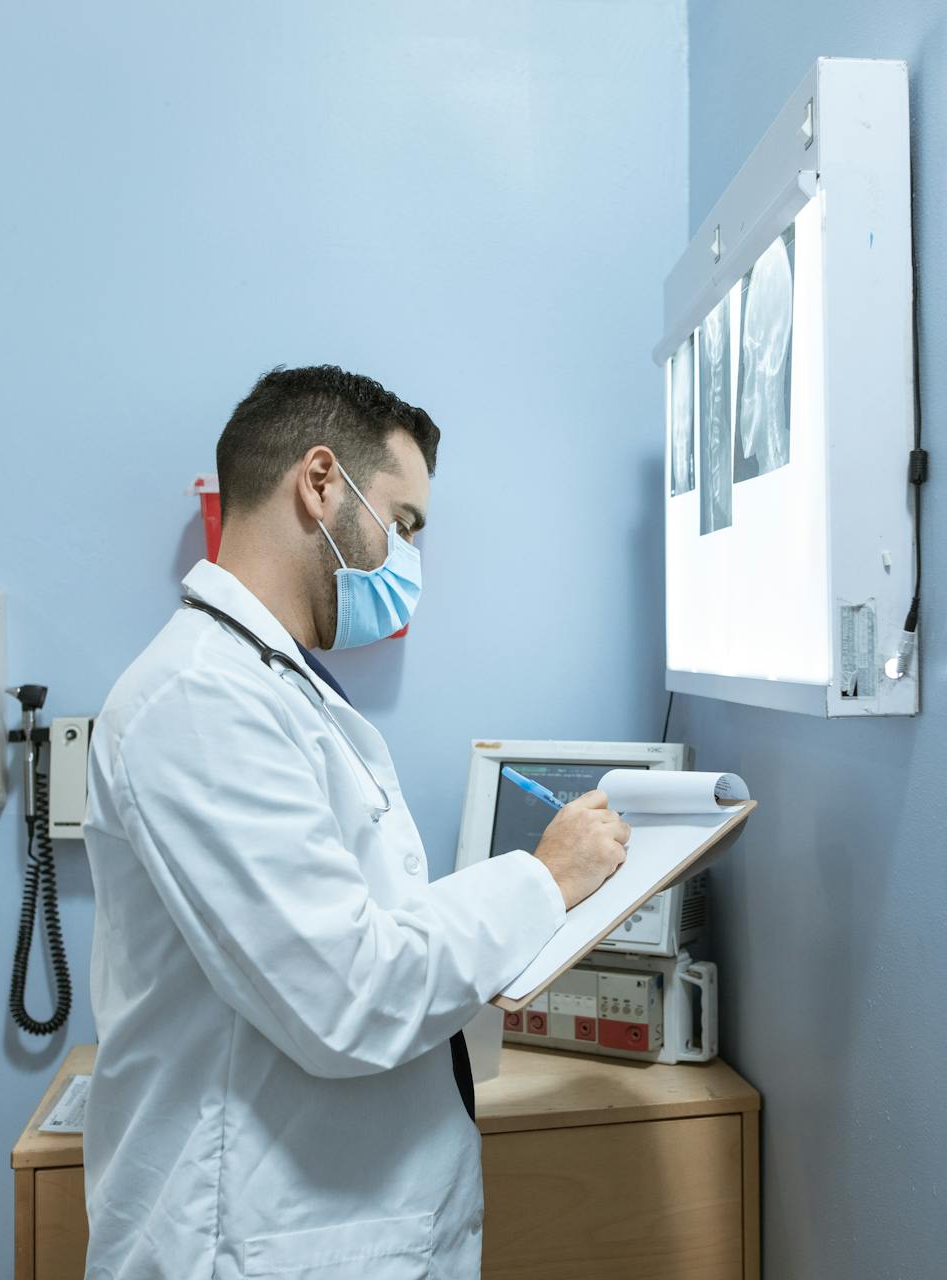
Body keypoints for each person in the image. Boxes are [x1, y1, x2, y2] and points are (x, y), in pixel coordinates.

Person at [79, 365, 631, 1279]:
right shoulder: (197, 702)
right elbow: (347, 993)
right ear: (321, 482)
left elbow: (355, 935)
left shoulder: (269, 686)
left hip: (327, 1223)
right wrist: (546, 877)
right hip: (250, 1242)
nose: (408, 560)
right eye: (403, 524)